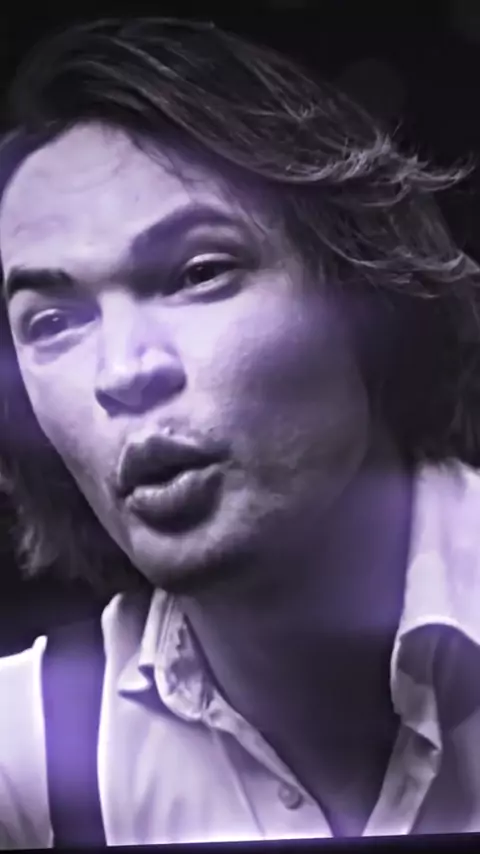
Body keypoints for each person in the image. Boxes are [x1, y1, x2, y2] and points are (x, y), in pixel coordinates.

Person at [0, 16, 479, 847]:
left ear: (362, 290)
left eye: (198, 272)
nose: (122, 372)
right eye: (51, 323)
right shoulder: (25, 767)